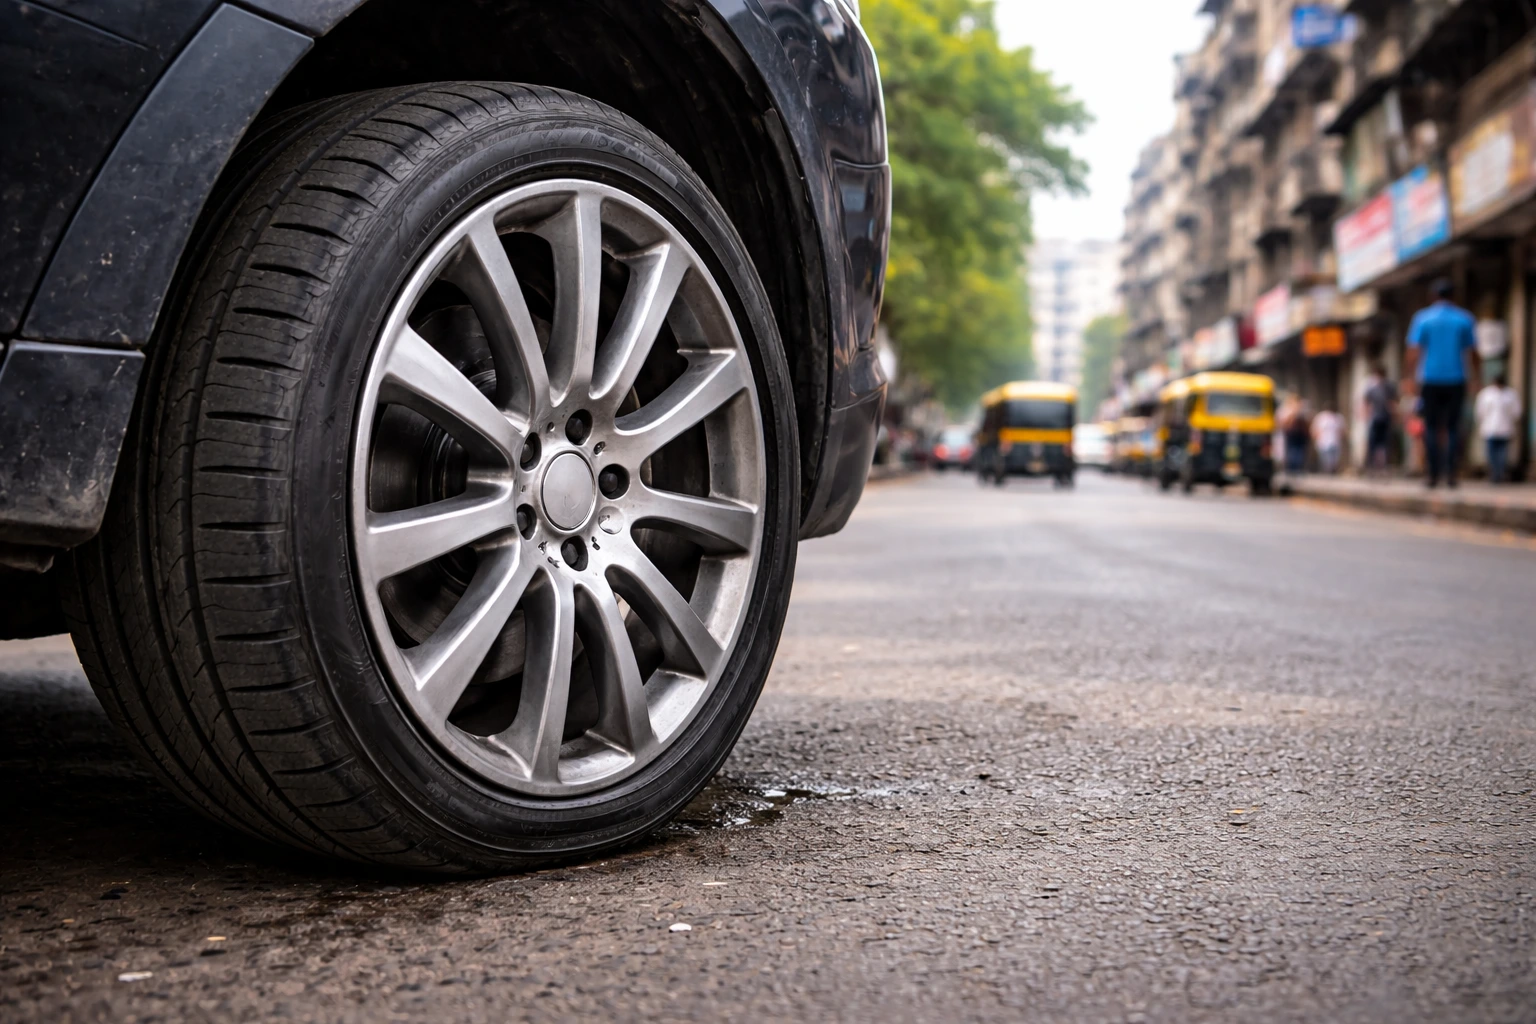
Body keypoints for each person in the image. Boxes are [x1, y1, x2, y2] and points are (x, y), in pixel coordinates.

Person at [1405, 278, 1481, 488]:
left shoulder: (1423, 319)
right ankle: (1451, 474)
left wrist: (1410, 378)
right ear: (1453, 296)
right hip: (1456, 379)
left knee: (1430, 427)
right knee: (1453, 428)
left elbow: (1413, 352)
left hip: (1430, 379)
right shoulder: (1464, 319)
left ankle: (1432, 474)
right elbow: (1473, 352)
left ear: (1433, 296)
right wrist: (1476, 377)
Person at [1474, 373, 1522, 483]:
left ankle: (1499, 474)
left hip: (1505, 429)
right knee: (1491, 454)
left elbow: (1516, 413)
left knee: (1502, 455)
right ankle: (1493, 474)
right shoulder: (1486, 394)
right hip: (1489, 428)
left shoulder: (1511, 394)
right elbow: (1479, 412)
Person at [1361, 364, 1397, 475]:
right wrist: (1365, 414)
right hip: (1375, 418)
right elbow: (1366, 402)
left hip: (1386, 417)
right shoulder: (1371, 388)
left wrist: (1395, 414)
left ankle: (1384, 465)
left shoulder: (1389, 387)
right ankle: (1371, 465)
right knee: (1373, 442)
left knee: (1385, 442)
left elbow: (1393, 402)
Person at [1280, 394, 1311, 474]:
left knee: (1300, 452)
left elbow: (1307, 422)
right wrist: (1294, 413)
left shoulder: (1303, 410)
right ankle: (1291, 469)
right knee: (1291, 452)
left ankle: (1298, 469)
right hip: (1291, 433)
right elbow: (1284, 422)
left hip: (1301, 434)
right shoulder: (1287, 409)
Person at [1311, 404, 1344, 474]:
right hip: (1323, 442)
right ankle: (1325, 472)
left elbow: (1341, 430)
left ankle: (1332, 472)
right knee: (1325, 460)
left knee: (1334, 460)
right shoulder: (1321, 417)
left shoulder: (1338, 417)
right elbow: (1315, 429)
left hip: (1334, 442)